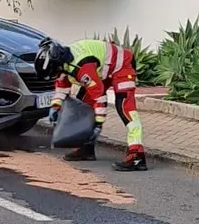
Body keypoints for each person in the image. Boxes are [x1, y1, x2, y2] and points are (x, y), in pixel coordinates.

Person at [35, 37, 146, 171]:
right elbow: (62, 87)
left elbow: (99, 98)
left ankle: (137, 155)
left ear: (57, 65)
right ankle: (86, 148)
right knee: (83, 105)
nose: (54, 76)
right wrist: (55, 106)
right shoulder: (62, 60)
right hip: (104, 69)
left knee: (125, 108)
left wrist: (98, 124)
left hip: (122, 66)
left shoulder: (82, 67)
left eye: (54, 73)